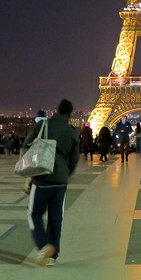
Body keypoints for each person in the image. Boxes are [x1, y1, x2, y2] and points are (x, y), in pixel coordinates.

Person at [24, 99, 81, 267]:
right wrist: (65, 173)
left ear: (57, 110)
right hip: (60, 181)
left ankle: (44, 246)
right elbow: (75, 158)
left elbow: (26, 144)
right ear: (70, 113)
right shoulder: (71, 131)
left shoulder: (43, 125)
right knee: (56, 218)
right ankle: (52, 256)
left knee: (34, 213)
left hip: (42, 177)